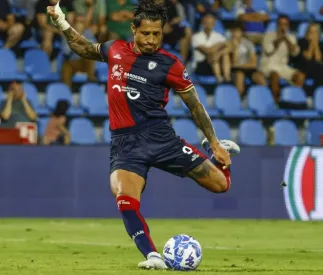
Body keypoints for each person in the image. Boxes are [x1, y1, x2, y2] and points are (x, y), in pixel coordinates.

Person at [47, 0, 240, 269]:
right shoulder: (115, 50)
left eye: (156, 34)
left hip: (162, 138)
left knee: (221, 185)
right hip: (126, 144)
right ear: (133, 30)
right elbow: (82, 47)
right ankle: (153, 256)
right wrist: (61, 21)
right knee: (124, 198)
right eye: (146, 33)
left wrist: (216, 143)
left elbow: (194, 104)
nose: (151, 40)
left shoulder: (169, 64)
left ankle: (221, 154)